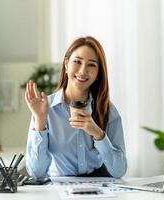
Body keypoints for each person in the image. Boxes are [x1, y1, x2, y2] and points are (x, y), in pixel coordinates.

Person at [25, 36, 127, 178]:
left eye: (91, 64)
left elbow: (119, 171)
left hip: (97, 189)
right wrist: (40, 121)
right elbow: (36, 173)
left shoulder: (107, 110)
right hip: (59, 189)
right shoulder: (45, 109)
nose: (83, 71)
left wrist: (97, 133)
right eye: (77, 62)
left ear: (98, 73)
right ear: (66, 64)